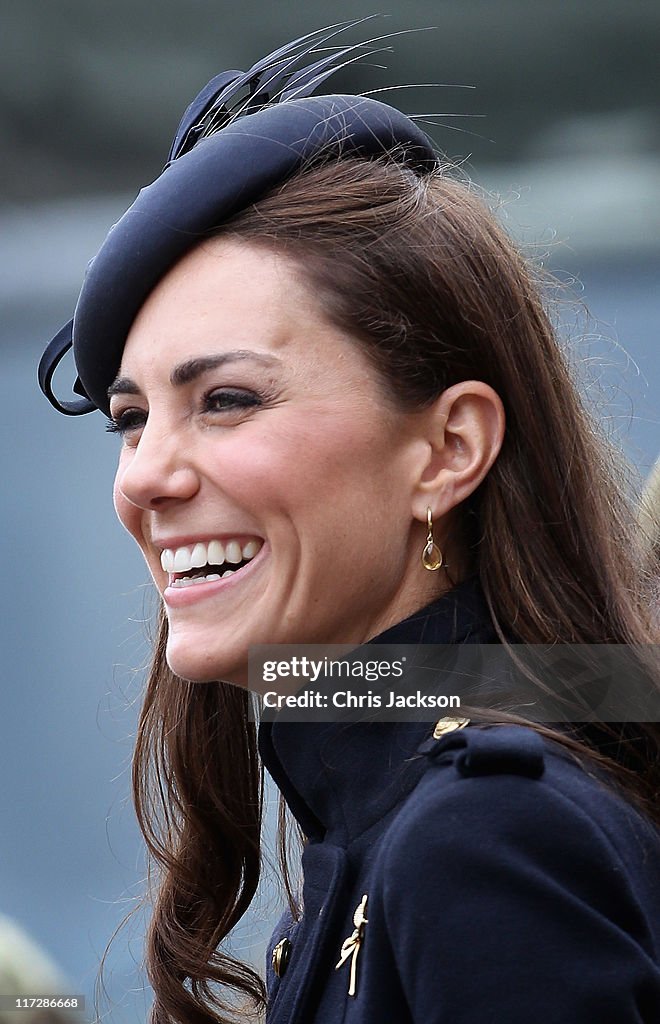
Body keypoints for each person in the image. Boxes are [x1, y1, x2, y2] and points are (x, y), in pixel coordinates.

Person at [38, 23, 660, 1024]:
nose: (145, 476)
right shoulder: (401, 815)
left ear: (450, 448)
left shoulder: (487, 835)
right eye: (132, 419)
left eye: (228, 399)